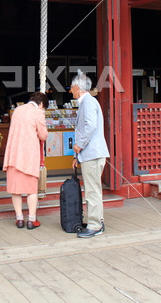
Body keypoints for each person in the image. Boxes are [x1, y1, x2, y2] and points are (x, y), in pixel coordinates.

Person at [71, 70, 110, 238]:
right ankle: (97, 220)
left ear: (76, 87)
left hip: (92, 154)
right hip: (91, 154)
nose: (70, 90)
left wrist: (79, 145)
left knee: (92, 190)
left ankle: (95, 225)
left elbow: (90, 126)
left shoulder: (87, 102)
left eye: (71, 87)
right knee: (94, 189)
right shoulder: (89, 101)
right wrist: (76, 156)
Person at [3, 92, 49, 229]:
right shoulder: (37, 112)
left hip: (13, 155)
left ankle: (19, 219)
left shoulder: (17, 110)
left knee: (16, 190)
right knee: (31, 190)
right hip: (29, 156)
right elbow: (43, 135)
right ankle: (31, 220)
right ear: (41, 104)